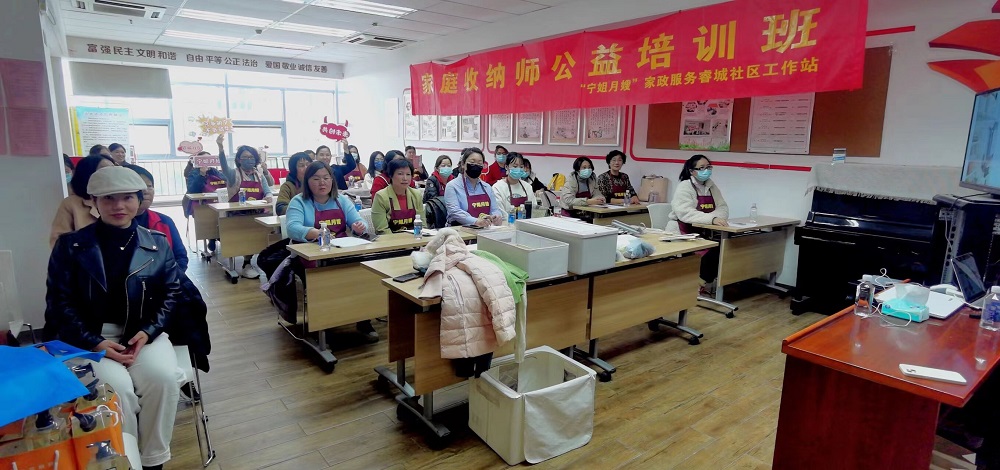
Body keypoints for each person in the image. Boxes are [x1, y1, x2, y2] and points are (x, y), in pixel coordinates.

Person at [45, 165, 183, 470]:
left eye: (127, 197)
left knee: (163, 380)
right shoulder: (71, 246)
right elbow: (58, 303)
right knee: (117, 389)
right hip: (90, 338)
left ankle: (153, 460)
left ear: (139, 200)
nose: (118, 206)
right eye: (108, 198)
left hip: (143, 334)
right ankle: (125, 459)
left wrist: (148, 331)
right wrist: (95, 342)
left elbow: (172, 293)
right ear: (94, 201)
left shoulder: (157, 243)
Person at [285, 161, 377, 341]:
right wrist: (314, 232)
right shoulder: (299, 201)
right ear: (307, 181)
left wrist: (359, 227)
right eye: (316, 178)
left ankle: (364, 320)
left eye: (326, 178)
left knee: (363, 274)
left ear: (332, 180)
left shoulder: (341, 200)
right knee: (323, 279)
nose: (322, 183)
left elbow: (359, 222)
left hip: (340, 251)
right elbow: (292, 228)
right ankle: (323, 325)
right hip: (309, 254)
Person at [666, 155, 729, 288]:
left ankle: (704, 281)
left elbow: (723, 208)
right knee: (714, 251)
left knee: (727, 246)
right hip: (682, 232)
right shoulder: (685, 186)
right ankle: (699, 283)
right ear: (692, 171)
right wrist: (712, 219)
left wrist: (714, 219)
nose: (706, 170)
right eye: (701, 168)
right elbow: (685, 213)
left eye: (708, 167)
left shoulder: (711, 186)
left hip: (705, 230)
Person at [217, 134, 273, 278]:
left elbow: (267, 190)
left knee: (260, 236)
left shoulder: (259, 175)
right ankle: (245, 263)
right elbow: (224, 166)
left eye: (251, 157)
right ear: (239, 160)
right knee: (244, 237)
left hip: (257, 213)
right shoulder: (233, 174)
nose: (249, 160)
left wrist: (268, 196)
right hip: (238, 215)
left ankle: (251, 261)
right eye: (245, 157)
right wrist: (221, 148)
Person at [124, 164, 188, 272]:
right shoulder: (112, 226)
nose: (145, 191)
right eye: (139, 186)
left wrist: (170, 278)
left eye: (149, 186)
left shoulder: (164, 221)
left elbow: (181, 257)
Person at [50, 154, 116, 246]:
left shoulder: (121, 200)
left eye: (114, 170)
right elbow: (58, 241)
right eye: (105, 170)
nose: (112, 174)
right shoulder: (71, 204)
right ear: (88, 174)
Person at [444, 147, 504, 227]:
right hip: (458, 230)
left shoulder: (487, 187)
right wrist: (475, 221)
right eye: (472, 162)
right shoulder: (452, 186)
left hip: (484, 230)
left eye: (479, 163)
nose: (476, 166)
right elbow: (455, 212)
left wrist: (496, 216)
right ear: (463, 164)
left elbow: (495, 209)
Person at [371, 158, 424, 234]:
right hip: (390, 240)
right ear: (391, 175)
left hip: (415, 239)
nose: (405, 178)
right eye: (400, 174)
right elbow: (382, 230)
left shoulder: (416, 195)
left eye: (408, 174)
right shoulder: (381, 197)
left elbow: (423, 225)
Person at [492, 152, 536, 219]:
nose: (518, 169)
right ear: (506, 167)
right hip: (507, 223)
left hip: (526, 223)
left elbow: (534, 209)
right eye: (515, 166)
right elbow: (500, 212)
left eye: (521, 167)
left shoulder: (527, 187)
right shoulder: (498, 187)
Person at [276, 152, 313, 216]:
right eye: (301, 165)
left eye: (308, 164)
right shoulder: (287, 186)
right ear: (294, 169)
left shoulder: (316, 184)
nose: (306, 168)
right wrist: (300, 209)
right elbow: (280, 208)